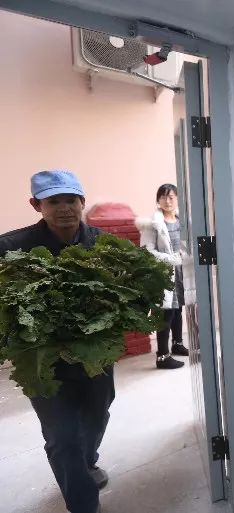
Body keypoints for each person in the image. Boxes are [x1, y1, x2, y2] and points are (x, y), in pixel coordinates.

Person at [0, 171, 112, 513]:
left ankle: (86, 461)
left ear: (82, 202)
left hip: (93, 353)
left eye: (70, 200)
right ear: (37, 205)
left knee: (97, 415)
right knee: (62, 437)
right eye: (53, 201)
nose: (64, 208)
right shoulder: (9, 247)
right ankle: (84, 504)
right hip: (41, 359)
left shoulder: (104, 244)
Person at [136, 184, 191, 370]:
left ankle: (177, 344)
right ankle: (162, 356)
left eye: (171, 197)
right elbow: (147, 251)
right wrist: (171, 259)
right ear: (158, 200)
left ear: (177, 199)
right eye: (163, 197)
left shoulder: (183, 221)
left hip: (181, 272)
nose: (168, 201)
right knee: (164, 314)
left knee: (177, 310)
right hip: (163, 274)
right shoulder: (153, 224)